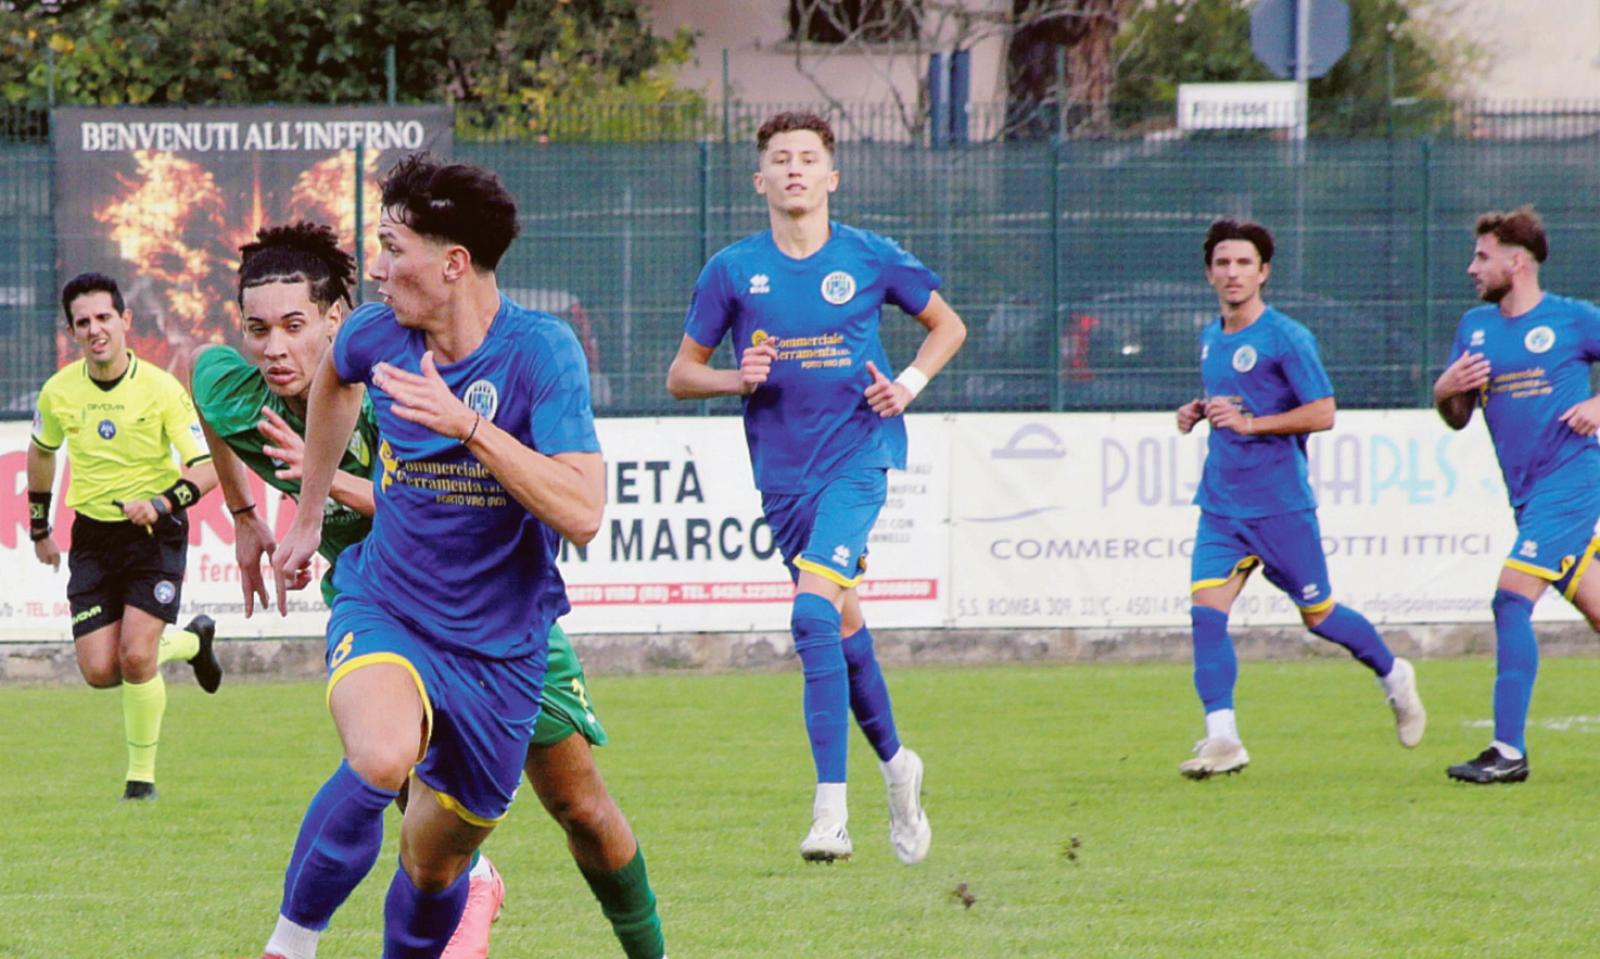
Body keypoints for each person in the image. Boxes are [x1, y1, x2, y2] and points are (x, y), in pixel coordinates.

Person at [192, 222, 664, 958]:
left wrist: (328, 485)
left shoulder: (393, 390)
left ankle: (625, 938)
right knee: (390, 767)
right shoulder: (236, 388)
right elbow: (208, 397)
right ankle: (331, 929)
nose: (273, 348)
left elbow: (439, 502)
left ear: (335, 322)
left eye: (292, 326)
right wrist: (247, 515)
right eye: (257, 329)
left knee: (580, 806)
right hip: (387, 605)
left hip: (492, 615)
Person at [666, 111, 964, 864]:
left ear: (831, 176)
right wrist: (738, 377)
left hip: (858, 462)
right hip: (784, 478)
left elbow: (947, 325)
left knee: (807, 614)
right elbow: (680, 374)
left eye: (808, 158)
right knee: (840, 627)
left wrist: (908, 383)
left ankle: (830, 811)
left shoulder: (869, 256)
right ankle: (899, 765)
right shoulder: (734, 269)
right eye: (779, 158)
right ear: (760, 179)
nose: (794, 168)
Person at [1173, 218, 1426, 779]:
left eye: (1244, 263)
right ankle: (1223, 739)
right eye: (1223, 263)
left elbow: (1323, 412)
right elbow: (1231, 404)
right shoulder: (1212, 335)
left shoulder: (1287, 337)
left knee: (1320, 616)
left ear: (1264, 272)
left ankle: (1392, 674)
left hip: (1280, 506)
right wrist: (1196, 412)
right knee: (1206, 615)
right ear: (1210, 272)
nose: (1233, 273)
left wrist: (1250, 423)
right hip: (1221, 506)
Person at [26, 272, 222, 801]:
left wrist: (160, 502)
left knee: (137, 657)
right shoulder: (58, 392)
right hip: (92, 536)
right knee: (98, 670)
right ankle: (190, 642)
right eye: (83, 322)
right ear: (71, 332)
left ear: (125, 320)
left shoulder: (161, 389)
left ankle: (141, 781)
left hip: (154, 533)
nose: (95, 330)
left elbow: (206, 468)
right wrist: (40, 526)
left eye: (104, 318)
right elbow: (42, 453)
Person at [1433, 206, 1600, 785]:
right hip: (1528, 495)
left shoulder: (1574, 320)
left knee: (1510, 598)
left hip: (1575, 481)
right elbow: (1457, 417)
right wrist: (1444, 390)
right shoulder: (1475, 330)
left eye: (1482, 256)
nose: (1472, 267)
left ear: (1517, 261)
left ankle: (1508, 751)